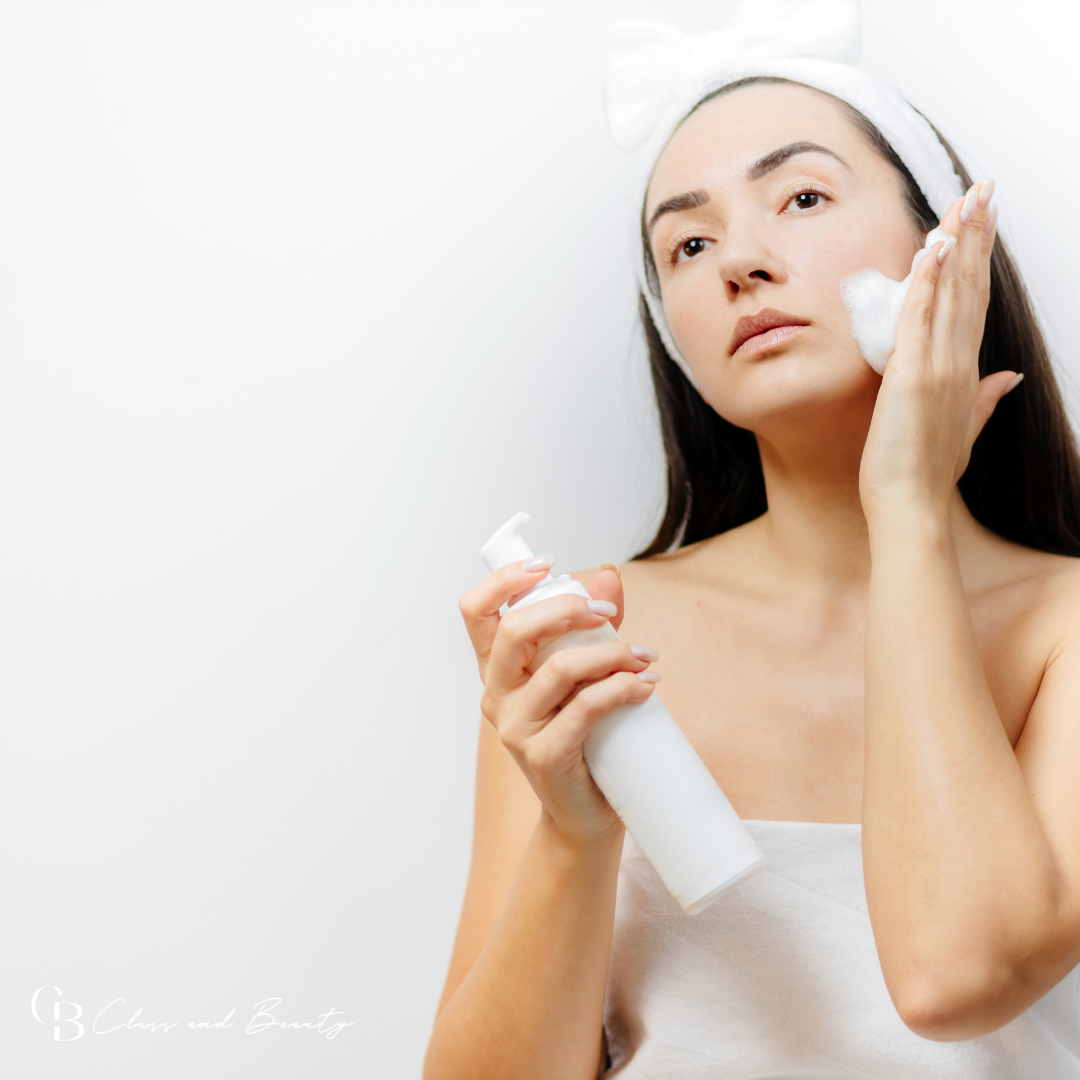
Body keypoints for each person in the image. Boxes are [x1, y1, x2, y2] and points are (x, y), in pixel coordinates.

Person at [424, 3, 1080, 1077]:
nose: (739, 262)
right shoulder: (593, 636)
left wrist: (908, 510)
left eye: (803, 197)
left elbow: (957, 978)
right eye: (688, 243)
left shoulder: (1065, 627)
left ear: (947, 249)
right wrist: (577, 832)